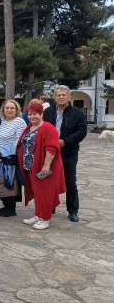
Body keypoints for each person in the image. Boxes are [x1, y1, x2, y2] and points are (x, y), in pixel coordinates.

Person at [18, 102, 66, 230]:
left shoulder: (48, 128)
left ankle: (45, 219)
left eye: (35, 114)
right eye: (30, 114)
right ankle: (38, 215)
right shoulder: (30, 127)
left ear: (41, 114)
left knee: (45, 193)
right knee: (37, 192)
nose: (32, 116)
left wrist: (46, 165)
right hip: (31, 167)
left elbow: (52, 148)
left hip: (44, 167)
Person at [43, 85, 87, 223]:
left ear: (69, 96)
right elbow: (43, 128)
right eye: (58, 95)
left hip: (69, 152)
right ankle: (51, 206)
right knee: (50, 180)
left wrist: (65, 142)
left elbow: (81, 132)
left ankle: (73, 211)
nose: (61, 97)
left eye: (63, 95)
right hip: (51, 152)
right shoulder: (48, 112)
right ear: (55, 97)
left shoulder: (78, 113)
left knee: (70, 182)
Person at [0, 99, 27, 217]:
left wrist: (8, 154)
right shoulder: (2, 121)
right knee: (2, 182)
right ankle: (6, 205)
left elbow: (19, 140)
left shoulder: (19, 122)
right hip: (0, 157)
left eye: (12, 108)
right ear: (3, 109)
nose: (9, 110)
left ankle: (11, 209)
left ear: (17, 110)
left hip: (10, 157)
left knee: (11, 182)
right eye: (7, 108)